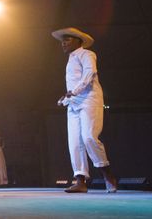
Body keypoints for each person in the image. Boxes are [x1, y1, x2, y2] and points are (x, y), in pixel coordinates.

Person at [52, 27, 117, 193]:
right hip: (73, 103)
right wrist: (66, 98)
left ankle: (107, 173)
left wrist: (74, 91)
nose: (63, 43)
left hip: (90, 100)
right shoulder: (70, 59)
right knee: (74, 142)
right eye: (62, 41)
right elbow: (72, 85)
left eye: (67, 40)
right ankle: (80, 180)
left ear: (79, 41)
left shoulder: (87, 54)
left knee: (89, 137)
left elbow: (90, 73)